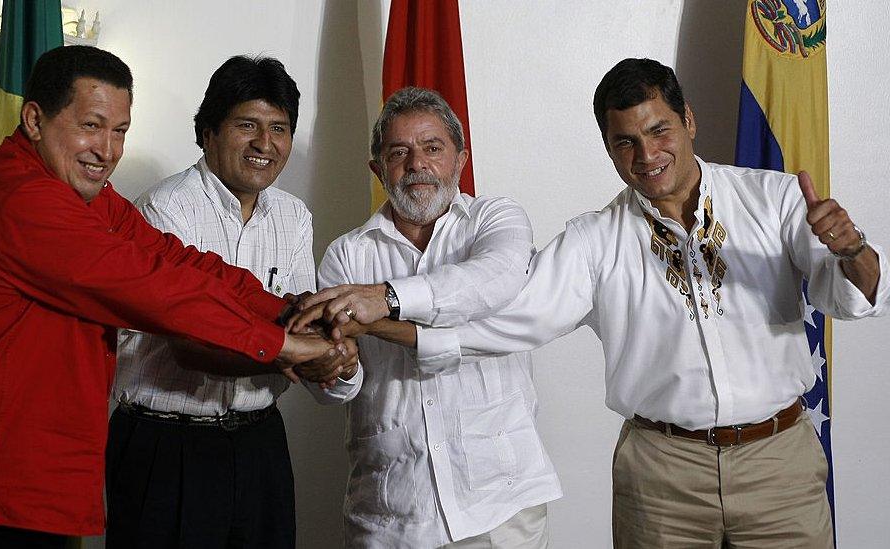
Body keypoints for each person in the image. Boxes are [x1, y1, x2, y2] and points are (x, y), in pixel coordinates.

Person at [413, 58, 888, 547]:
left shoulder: (775, 198)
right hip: (661, 479)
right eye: (626, 142)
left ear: (689, 120)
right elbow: (507, 318)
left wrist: (854, 250)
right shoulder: (593, 240)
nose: (647, 154)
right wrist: (387, 317)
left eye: (659, 131)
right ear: (609, 149)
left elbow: (854, 298)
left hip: (779, 462)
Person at [0, 46, 336, 547]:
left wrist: (285, 310)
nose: (108, 150)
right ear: (34, 119)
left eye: (120, 131)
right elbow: (158, 293)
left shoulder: (81, 193)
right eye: (91, 125)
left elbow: (174, 261)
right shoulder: (20, 198)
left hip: (33, 481)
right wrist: (282, 345)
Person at [292, 87, 561, 548]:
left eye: (433, 148)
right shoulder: (347, 254)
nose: (417, 164)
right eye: (399, 152)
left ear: (460, 159)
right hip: (391, 514)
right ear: (378, 169)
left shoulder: (495, 219)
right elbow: (341, 389)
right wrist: (332, 367)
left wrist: (383, 302)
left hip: (500, 506)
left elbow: (493, 283)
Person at [106, 55, 357, 549]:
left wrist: (335, 354)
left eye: (280, 129)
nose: (266, 144)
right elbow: (189, 345)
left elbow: (301, 322)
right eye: (248, 125)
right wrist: (299, 352)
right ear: (207, 131)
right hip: (166, 447)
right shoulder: (164, 209)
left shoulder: (294, 217)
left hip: (259, 442)